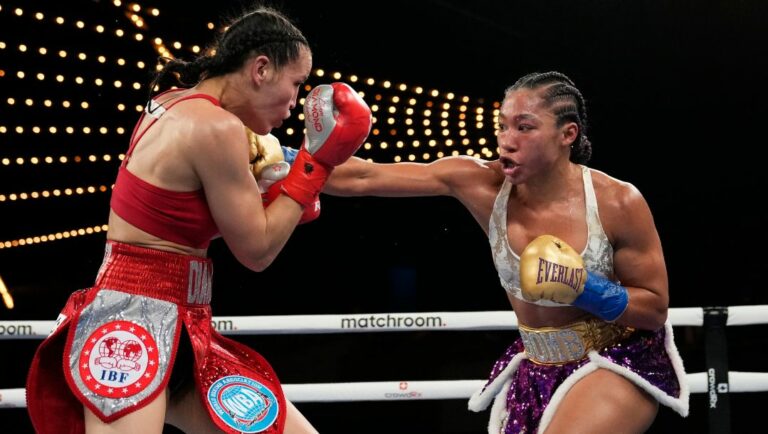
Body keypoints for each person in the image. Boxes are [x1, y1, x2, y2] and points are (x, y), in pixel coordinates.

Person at [25, 6, 371, 434]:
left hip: (184, 323)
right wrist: (313, 167)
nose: (294, 102)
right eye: (296, 83)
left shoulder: (175, 103)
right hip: (133, 319)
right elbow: (257, 251)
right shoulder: (215, 127)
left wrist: (282, 196)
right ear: (261, 69)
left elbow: (184, 214)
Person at [323, 71, 689, 433]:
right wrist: (295, 154)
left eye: (524, 127)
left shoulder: (617, 202)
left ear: (568, 134)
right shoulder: (480, 183)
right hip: (535, 367)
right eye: (502, 126)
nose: (506, 141)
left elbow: (654, 309)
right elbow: (363, 177)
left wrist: (584, 287)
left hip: (615, 360)